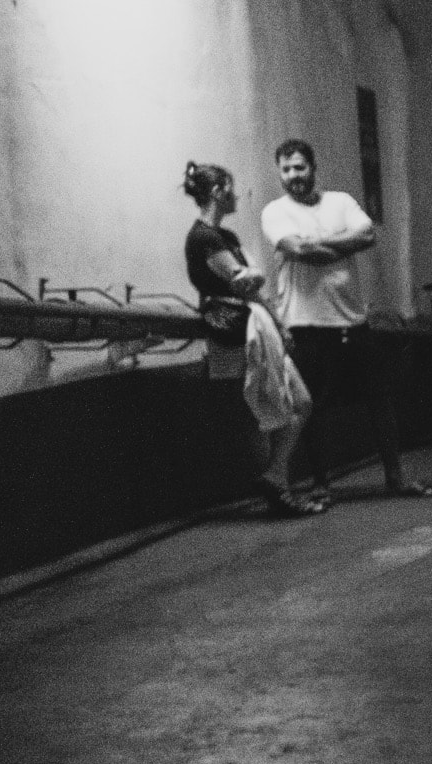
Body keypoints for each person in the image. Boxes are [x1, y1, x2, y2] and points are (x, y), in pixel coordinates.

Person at [260, 139, 432, 499]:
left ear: (313, 167)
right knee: (314, 408)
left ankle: (395, 477)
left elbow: (367, 234)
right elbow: (297, 248)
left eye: (300, 167)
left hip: (352, 320)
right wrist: (341, 243)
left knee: (380, 399)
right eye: (286, 169)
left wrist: (320, 244)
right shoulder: (274, 212)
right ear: (280, 173)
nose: (293, 175)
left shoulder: (341, 202)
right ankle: (322, 484)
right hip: (303, 323)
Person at [182, 161, 321, 517]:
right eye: (230, 188)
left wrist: (276, 320)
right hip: (238, 332)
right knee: (269, 408)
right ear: (217, 193)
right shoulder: (204, 238)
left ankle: (275, 477)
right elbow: (244, 283)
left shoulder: (225, 238)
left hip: (255, 325)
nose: (236, 195)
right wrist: (261, 290)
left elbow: (253, 280)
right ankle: (280, 490)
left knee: (300, 402)